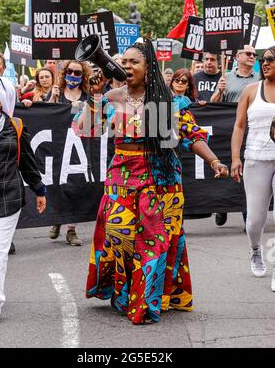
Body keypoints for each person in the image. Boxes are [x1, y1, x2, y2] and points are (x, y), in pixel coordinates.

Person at [77, 38, 229, 325]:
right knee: (118, 233)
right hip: (121, 177)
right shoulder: (112, 97)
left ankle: (145, 303)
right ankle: (123, 295)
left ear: (149, 68)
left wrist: (214, 161)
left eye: (134, 61)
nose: (127, 66)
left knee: (153, 243)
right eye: (124, 62)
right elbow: (88, 129)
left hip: (160, 182)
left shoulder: (167, 100)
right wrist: (95, 95)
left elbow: (191, 134)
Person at [0, 77, 46, 325]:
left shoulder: (15, 126)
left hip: (6, 199)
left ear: (1, 101)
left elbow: (27, 161)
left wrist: (39, 190)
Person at [231, 47, 275, 290]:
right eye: (263, 59)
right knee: (255, 220)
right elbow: (239, 127)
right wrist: (236, 158)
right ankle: (255, 249)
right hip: (256, 159)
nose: (264, 63)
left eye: (270, 59)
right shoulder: (250, 91)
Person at [211, 45, 260, 227]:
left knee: (248, 171)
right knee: (228, 167)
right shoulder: (227, 78)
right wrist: (219, 91)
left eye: (254, 54)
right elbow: (213, 104)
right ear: (238, 56)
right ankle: (222, 208)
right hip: (228, 130)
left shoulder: (260, 78)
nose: (252, 57)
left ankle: (247, 215)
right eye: (248, 54)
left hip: (251, 129)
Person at [47, 60, 91, 246]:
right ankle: (57, 218)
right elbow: (46, 115)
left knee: (77, 186)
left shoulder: (87, 96)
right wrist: (52, 99)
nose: (73, 75)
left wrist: (83, 107)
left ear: (83, 76)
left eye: (77, 72)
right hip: (59, 145)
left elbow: (94, 120)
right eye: (70, 71)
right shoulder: (57, 92)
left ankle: (71, 230)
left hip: (79, 146)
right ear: (65, 73)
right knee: (58, 182)